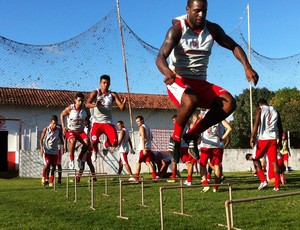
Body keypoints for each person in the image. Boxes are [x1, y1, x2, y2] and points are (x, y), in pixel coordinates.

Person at [156, 0, 259, 164]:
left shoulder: (212, 29)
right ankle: (175, 139)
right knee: (192, 100)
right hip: (179, 80)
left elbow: (234, 46)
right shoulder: (177, 29)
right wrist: (167, 71)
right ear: (188, 10)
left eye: (204, 11)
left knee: (229, 103)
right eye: (197, 11)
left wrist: (247, 66)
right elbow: (160, 56)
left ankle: (192, 135)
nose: (201, 15)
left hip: (200, 83)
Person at [85, 74, 126, 162]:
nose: (106, 85)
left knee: (114, 143)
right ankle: (95, 151)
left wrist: (124, 102)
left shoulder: (113, 95)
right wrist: (95, 105)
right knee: (94, 141)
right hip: (97, 122)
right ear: (100, 83)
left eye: (108, 83)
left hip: (108, 122)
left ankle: (105, 144)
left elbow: (122, 108)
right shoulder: (95, 92)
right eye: (104, 83)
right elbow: (87, 104)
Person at [250, 98, 283, 191]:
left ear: (259, 104)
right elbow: (280, 127)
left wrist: (252, 137)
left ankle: (263, 180)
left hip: (263, 139)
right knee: (274, 162)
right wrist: (279, 141)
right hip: (273, 139)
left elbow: (256, 124)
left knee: (255, 158)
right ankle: (276, 186)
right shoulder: (275, 110)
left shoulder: (260, 109)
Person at [199, 110, 232, 192]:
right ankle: (215, 187)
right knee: (217, 165)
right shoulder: (219, 115)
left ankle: (206, 184)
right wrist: (222, 138)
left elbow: (195, 126)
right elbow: (229, 128)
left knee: (203, 164)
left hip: (206, 144)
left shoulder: (203, 115)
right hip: (217, 145)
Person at [61, 92, 90, 169]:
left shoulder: (85, 109)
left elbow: (88, 117)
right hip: (71, 131)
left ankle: (80, 158)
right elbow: (62, 115)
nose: (80, 102)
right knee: (73, 141)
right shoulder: (70, 109)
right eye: (79, 100)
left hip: (80, 131)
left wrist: (88, 123)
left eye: (82, 101)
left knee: (87, 142)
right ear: (75, 100)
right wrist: (63, 127)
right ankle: (71, 159)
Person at [40, 115, 64, 187]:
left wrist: (64, 146)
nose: (55, 125)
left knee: (54, 167)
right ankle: (44, 177)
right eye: (53, 123)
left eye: (56, 124)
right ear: (51, 123)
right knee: (47, 164)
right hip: (47, 150)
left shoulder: (58, 130)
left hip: (55, 151)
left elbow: (61, 139)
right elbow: (41, 139)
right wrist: (41, 148)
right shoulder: (46, 129)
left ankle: (51, 181)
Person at [134, 115, 157, 181]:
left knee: (138, 162)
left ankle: (136, 179)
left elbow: (143, 138)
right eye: (136, 122)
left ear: (142, 120)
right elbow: (151, 138)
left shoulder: (142, 127)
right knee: (148, 162)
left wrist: (143, 148)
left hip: (142, 148)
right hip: (148, 148)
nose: (137, 123)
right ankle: (154, 177)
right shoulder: (148, 127)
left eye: (138, 121)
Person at [74, 118, 97, 183]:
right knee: (88, 163)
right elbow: (84, 140)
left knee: (83, 162)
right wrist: (78, 146)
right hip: (85, 147)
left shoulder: (89, 129)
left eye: (85, 121)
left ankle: (78, 178)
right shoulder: (85, 129)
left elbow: (89, 139)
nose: (84, 122)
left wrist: (90, 147)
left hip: (87, 148)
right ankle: (94, 177)